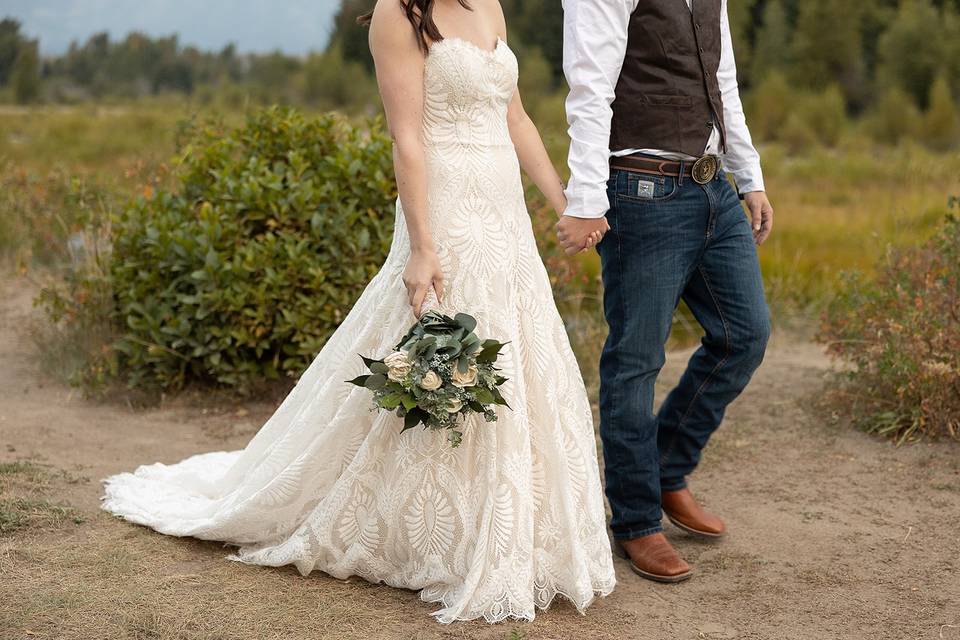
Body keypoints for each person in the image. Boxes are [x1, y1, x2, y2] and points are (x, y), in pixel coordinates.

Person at [101, 0, 616, 624]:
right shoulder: (398, 13)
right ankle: (430, 534)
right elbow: (406, 135)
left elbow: (519, 120)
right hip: (445, 203)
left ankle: (513, 525)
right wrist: (423, 246)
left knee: (516, 348)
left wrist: (569, 201)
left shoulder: (491, 4)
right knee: (440, 344)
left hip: (502, 210)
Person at [558, 0, 774, 583]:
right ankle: (634, 520)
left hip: (713, 189)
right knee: (635, 362)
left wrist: (748, 175)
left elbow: (721, 77)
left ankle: (665, 469)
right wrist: (585, 201)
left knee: (745, 335)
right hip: (640, 188)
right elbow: (589, 87)